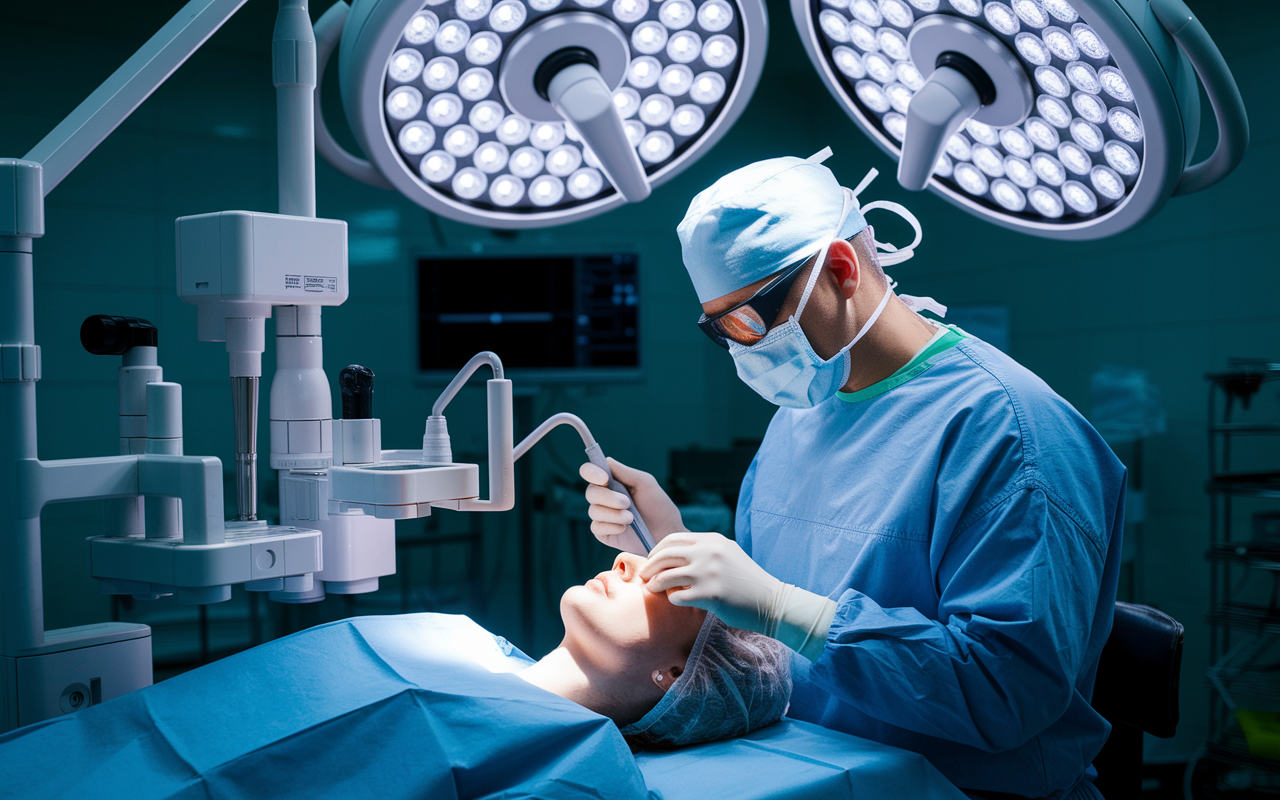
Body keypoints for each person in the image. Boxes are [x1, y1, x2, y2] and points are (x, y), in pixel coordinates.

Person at [581, 149, 1125, 799]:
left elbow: (1007, 696)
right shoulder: (805, 411)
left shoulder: (1010, 433)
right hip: (816, 773)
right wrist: (671, 551)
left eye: (749, 320)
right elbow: (770, 642)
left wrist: (788, 611)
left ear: (839, 268)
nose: (743, 349)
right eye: (720, 330)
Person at [0, 554, 791, 800]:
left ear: (676, 676)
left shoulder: (578, 770)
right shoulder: (447, 637)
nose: (631, 562)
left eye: (674, 591)